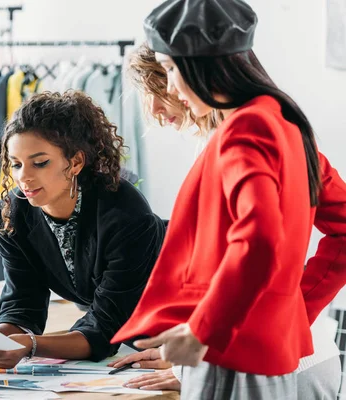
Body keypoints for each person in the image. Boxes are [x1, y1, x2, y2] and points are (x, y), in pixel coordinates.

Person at [112, 0, 346, 398]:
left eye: (170, 70)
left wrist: (204, 329)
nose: (169, 89)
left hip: (232, 353)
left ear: (202, 66)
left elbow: (259, 241)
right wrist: (289, 311)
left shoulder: (245, 130)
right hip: (263, 352)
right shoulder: (284, 124)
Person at [0, 90, 166, 368]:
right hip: (128, 332)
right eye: (16, 164)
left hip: (183, 317)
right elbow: (23, 302)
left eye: (40, 163)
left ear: (75, 162)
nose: (24, 177)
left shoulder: (124, 212)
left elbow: (103, 330)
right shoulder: (10, 215)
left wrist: (30, 346)